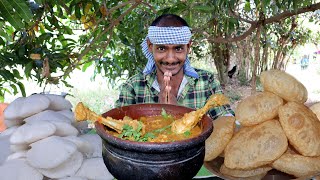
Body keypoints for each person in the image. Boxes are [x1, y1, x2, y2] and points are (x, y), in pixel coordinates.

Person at [115, 14, 234, 120]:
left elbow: (226, 122)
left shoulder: (206, 82)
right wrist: (160, 112)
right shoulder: (134, 87)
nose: (170, 59)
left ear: (188, 47)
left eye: (178, 48)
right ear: (151, 47)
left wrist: (176, 113)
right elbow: (118, 130)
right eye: (162, 48)